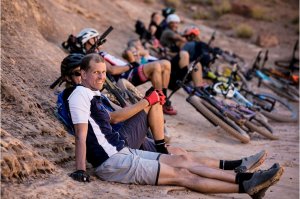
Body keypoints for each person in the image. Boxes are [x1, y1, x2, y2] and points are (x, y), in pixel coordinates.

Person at [68, 53, 284, 199]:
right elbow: (80, 134)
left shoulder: (93, 94)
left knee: (182, 160)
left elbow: (111, 120)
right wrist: (79, 170)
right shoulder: (79, 94)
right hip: (112, 163)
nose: (100, 77)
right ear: (84, 74)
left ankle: (247, 177)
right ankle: (246, 186)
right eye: (96, 72)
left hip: (123, 151)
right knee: (183, 175)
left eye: (103, 72)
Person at [76, 28, 178, 115]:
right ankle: (161, 100)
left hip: (129, 71)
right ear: (89, 40)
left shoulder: (99, 53)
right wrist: (130, 65)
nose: (99, 40)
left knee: (166, 64)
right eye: (96, 38)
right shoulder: (95, 57)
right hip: (125, 75)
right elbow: (112, 70)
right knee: (157, 65)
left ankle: (162, 99)